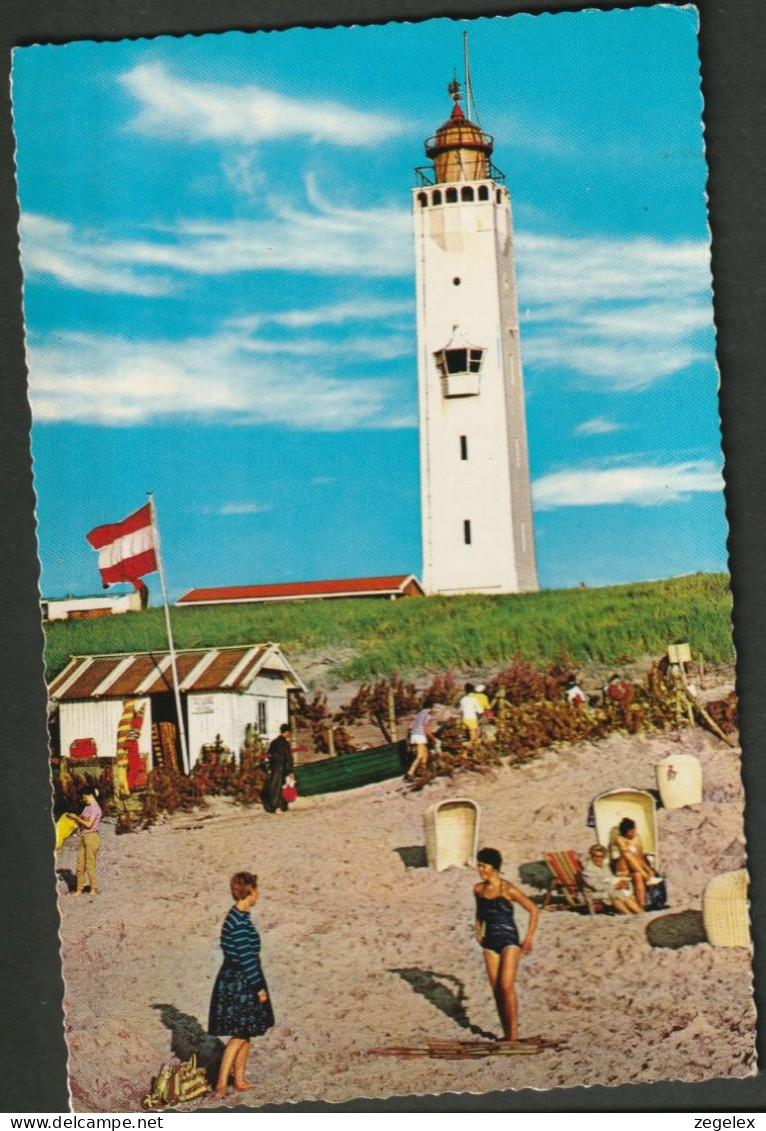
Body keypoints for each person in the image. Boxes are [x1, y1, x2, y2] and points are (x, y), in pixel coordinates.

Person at [208, 871, 274, 1098]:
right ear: (250, 892)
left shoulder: (239, 915)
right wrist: (259, 988)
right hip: (240, 983)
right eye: (256, 890)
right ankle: (220, 1085)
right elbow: (246, 960)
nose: (258, 894)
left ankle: (239, 1079)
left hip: (237, 979)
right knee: (238, 1035)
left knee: (246, 1032)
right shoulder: (239, 923)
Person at [474, 846, 538, 1044]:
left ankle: (513, 1036)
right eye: (479, 866)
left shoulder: (507, 889)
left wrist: (528, 939)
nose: (480, 870)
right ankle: (506, 1035)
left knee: (506, 986)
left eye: (484, 866)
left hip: (510, 940)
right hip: (490, 942)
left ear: (494, 867)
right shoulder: (478, 889)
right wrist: (478, 933)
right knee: (496, 989)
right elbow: (480, 914)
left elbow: (533, 910)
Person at [613, 818, 661, 908]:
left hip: (635, 867)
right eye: (630, 832)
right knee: (627, 854)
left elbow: (640, 856)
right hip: (622, 868)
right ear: (624, 832)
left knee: (637, 875)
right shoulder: (619, 839)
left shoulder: (636, 837)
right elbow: (626, 855)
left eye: (634, 830)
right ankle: (646, 877)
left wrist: (648, 869)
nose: (633, 833)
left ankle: (641, 906)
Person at [581, 844, 641, 914]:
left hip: (608, 890)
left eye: (601, 856)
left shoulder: (604, 866)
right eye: (596, 856)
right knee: (615, 893)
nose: (599, 859)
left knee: (625, 894)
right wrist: (615, 886)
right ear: (591, 856)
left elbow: (611, 878)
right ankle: (628, 914)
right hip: (595, 894)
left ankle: (640, 914)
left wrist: (621, 883)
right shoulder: (588, 871)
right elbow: (598, 887)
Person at [67, 786, 102, 896]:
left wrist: (77, 819)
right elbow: (81, 819)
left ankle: (93, 888)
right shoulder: (87, 807)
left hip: (92, 837)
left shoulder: (95, 808)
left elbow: (88, 824)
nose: (83, 799)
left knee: (90, 865)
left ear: (90, 795)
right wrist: (73, 818)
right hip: (84, 837)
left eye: (84, 797)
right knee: (80, 864)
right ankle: (79, 889)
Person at [263, 724, 294, 814]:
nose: (290, 734)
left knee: (275, 787)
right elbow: (287, 757)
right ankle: (279, 807)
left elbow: (269, 755)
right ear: (287, 732)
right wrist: (290, 770)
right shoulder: (285, 743)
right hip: (282, 768)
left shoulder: (274, 742)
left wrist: (272, 766)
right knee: (280, 788)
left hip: (275, 768)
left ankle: (277, 807)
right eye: (289, 732)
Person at [406, 701, 436, 781]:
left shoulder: (417, 714)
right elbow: (426, 730)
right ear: (430, 707)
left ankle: (424, 771)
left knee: (425, 752)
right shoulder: (427, 715)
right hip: (420, 735)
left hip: (413, 735)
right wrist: (433, 739)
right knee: (420, 755)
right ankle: (410, 772)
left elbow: (409, 727)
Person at [459, 683, 482, 751]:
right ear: (472, 690)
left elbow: (460, 710)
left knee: (466, 738)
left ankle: (468, 753)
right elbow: (480, 711)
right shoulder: (474, 699)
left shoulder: (463, 700)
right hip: (472, 719)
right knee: (473, 739)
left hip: (464, 719)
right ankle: (465, 753)